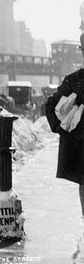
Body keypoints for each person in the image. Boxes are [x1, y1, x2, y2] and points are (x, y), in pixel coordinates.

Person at [46, 32, 84, 215]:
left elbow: (50, 105)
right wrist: (60, 127)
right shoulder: (74, 80)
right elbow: (51, 105)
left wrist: (59, 127)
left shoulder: (74, 80)